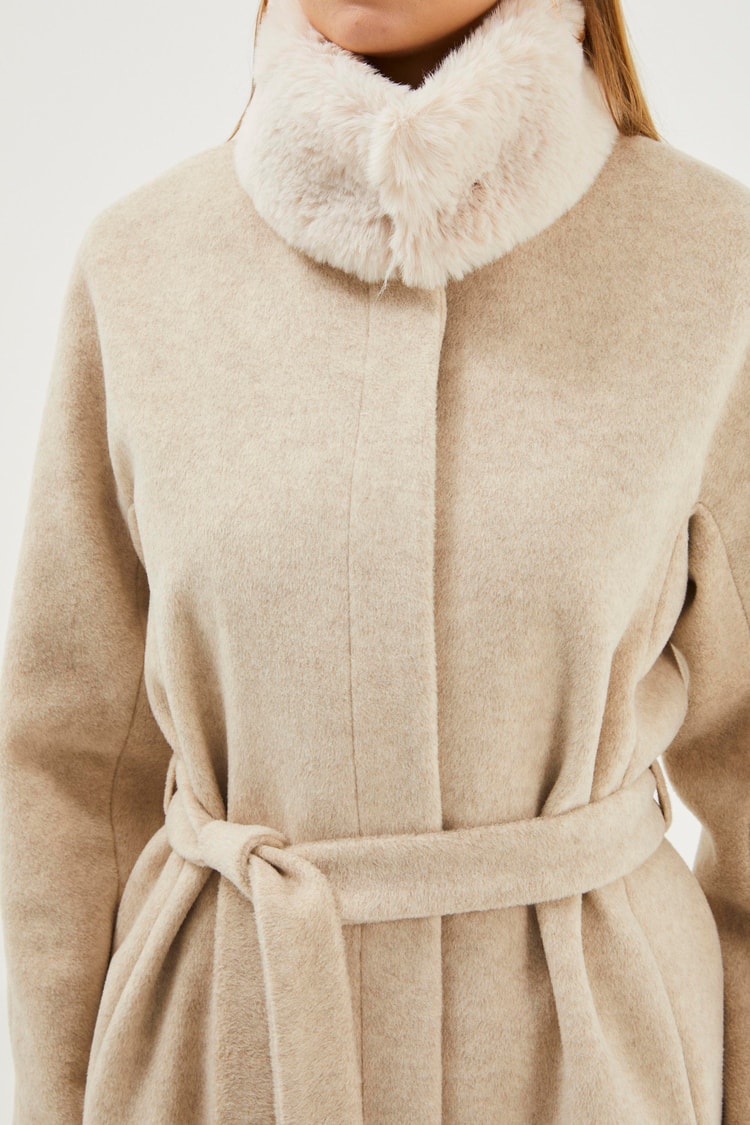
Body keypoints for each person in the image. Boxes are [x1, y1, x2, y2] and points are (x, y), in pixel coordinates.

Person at [0, 0, 748, 1120]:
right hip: (215, 1065)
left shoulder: (710, 261)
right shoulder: (142, 266)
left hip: (592, 1076)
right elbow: (65, 769)